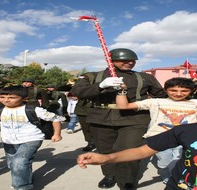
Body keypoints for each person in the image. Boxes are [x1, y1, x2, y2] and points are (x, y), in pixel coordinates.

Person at [77, 81, 197, 190]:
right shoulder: (188, 130)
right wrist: (107, 158)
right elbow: (143, 151)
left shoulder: (193, 106)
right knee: (165, 163)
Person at [71, 48, 166, 190]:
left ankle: (127, 180)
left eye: (132, 60)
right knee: (105, 149)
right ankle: (110, 175)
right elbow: (77, 92)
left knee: (129, 149)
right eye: (124, 60)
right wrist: (101, 86)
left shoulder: (145, 77)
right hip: (101, 118)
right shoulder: (92, 76)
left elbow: (161, 95)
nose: (129, 63)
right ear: (111, 60)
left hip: (135, 118)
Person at [115, 77, 197, 184]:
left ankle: (174, 180)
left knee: (180, 162)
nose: (178, 94)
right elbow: (123, 106)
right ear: (165, 90)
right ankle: (167, 177)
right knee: (164, 163)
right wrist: (121, 91)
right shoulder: (155, 102)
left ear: (191, 91)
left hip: (185, 140)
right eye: (173, 90)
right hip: (160, 139)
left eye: (184, 91)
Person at [0, 85, 63, 190]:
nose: (6, 100)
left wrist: (57, 134)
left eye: (11, 97)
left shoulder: (33, 109)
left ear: (25, 98)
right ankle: (26, 176)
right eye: (3, 97)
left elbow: (55, 118)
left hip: (31, 139)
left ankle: (22, 186)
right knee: (12, 165)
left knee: (19, 162)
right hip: (8, 141)